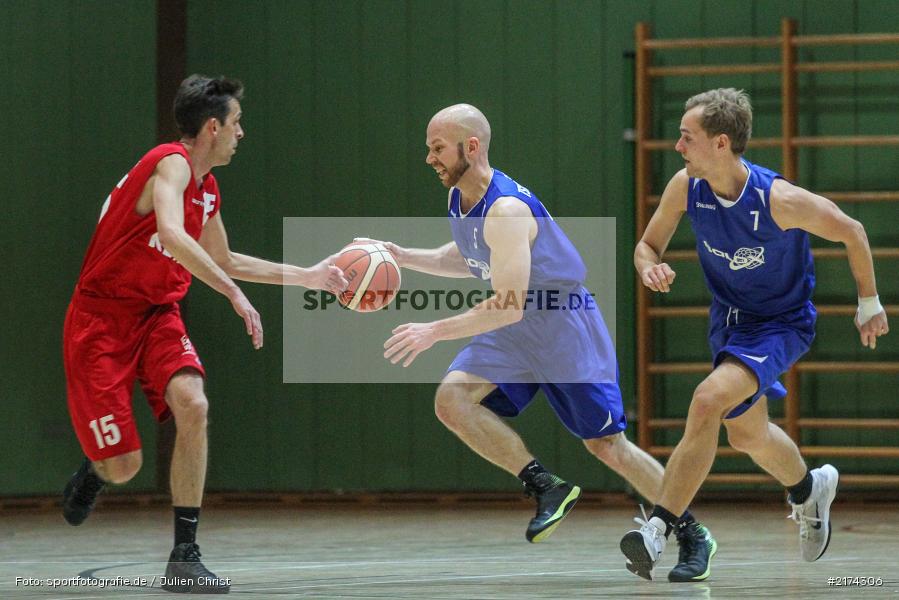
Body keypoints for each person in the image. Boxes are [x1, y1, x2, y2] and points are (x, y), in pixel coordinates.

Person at [360, 104, 716, 582]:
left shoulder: (507, 210)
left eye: (437, 147)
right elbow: (468, 256)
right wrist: (404, 256)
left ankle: (691, 531)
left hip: (561, 324)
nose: (429, 158)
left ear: (471, 147)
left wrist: (434, 330)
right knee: (451, 400)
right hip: (515, 329)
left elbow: (507, 303)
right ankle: (546, 486)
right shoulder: (461, 198)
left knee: (607, 446)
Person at [61, 74, 347, 594]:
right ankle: (97, 471)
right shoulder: (169, 162)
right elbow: (171, 233)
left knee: (193, 403)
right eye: (237, 123)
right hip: (100, 321)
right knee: (124, 467)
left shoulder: (207, 189)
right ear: (212, 127)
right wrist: (232, 295)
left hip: (156, 314)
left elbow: (225, 259)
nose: (242, 133)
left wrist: (307, 276)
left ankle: (184, 556)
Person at [620, 88, 889, 580]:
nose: (677, 146)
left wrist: (868, 302)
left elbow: (852, 230)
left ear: (720, 143)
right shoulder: (686, 186)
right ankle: (809, 489)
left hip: (781, 323)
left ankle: (658, 529)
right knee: (747, 434)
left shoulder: (778, 200)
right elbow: (647, 245)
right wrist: (648, 266)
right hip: (729, 321)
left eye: (687, 137)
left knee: (707, 400)